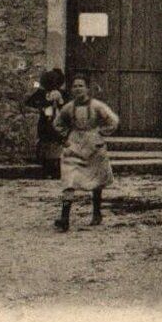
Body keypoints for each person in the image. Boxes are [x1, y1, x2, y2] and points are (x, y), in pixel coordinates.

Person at [53, 74, 119, 230]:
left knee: (96, 179)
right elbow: (57, 123)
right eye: (75, 86)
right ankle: (64, 218)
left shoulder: (97, 106)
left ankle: (97, 213)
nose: (77, 89)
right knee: (69, 179)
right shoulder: (68, 107)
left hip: (93, 146)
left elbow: (113, 121)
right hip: (74, 145)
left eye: (81, 86)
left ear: (88, 88)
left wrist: (100, 133)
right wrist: (66, 136)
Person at [23, 67, 66, 179]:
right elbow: (30, 102)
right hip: (45, 122)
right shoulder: (41, 93)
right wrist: (43, 105)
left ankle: (55, 170)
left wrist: (60, 102)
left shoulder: (62, 93)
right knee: (46, 144)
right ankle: (47, 169)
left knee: (56, 145)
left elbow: (67, 106)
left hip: (56, 122)